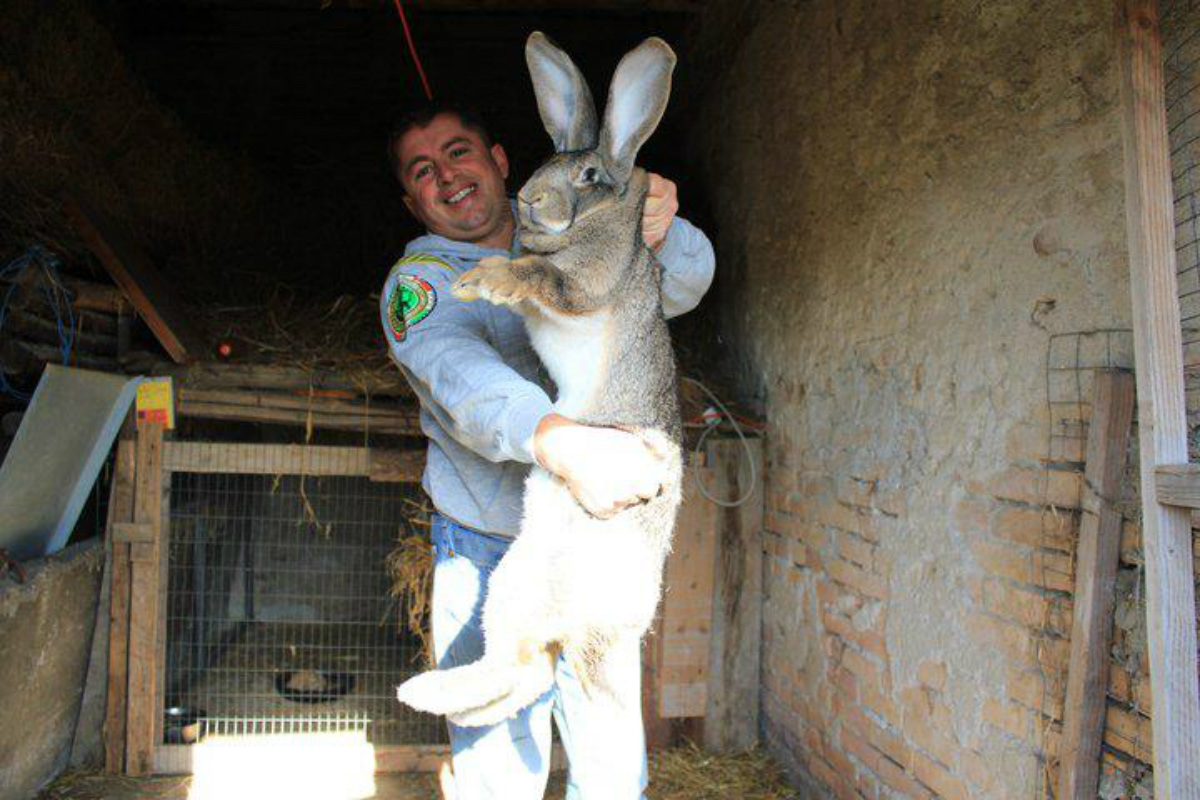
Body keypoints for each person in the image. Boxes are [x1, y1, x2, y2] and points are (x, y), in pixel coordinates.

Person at [380, 101, 714, 799]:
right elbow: (460, 376)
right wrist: (562, 444)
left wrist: (659, 224)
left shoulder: (586, 228)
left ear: (500, 161)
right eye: (423, 171)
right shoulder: (420, 284)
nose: (448, 176)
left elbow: (682, 285)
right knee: (499, 762)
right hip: (488, 540)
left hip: (601, 535)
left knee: (611, 762)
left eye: (458, 152)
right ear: (412, 202)